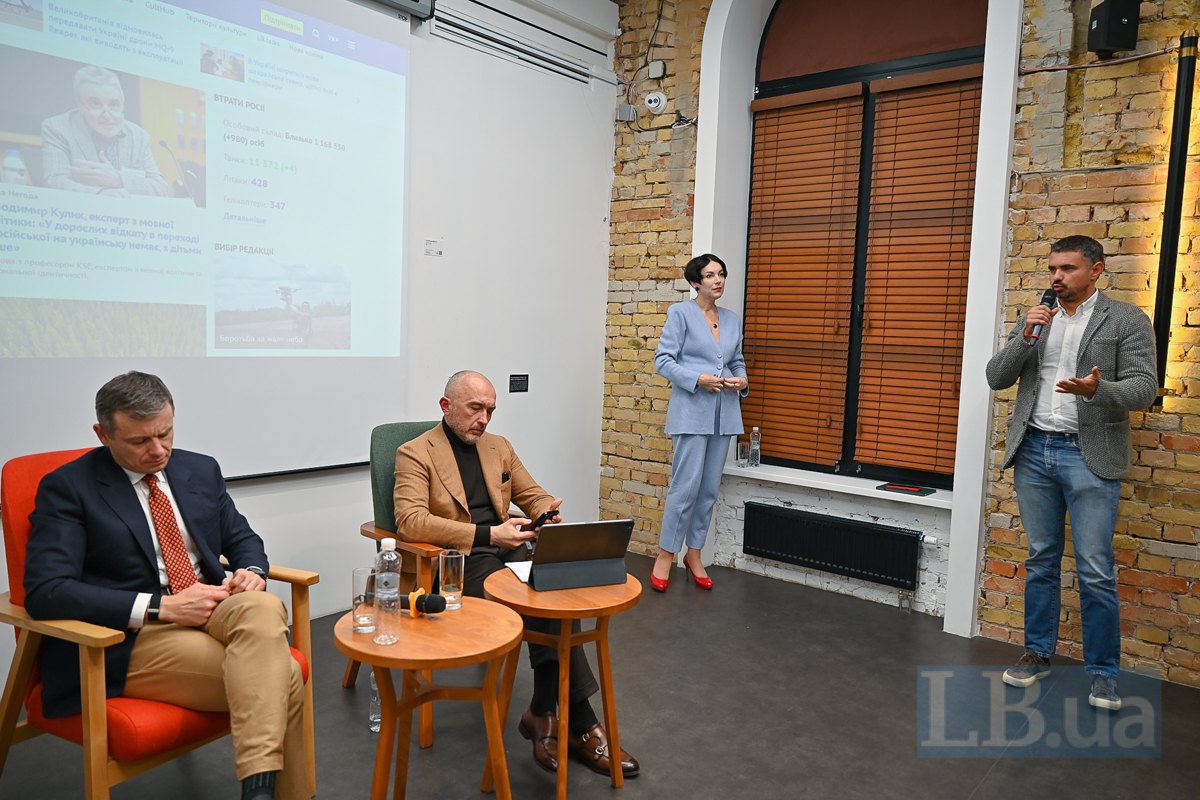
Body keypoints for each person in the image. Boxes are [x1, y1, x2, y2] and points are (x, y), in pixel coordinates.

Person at [24, 372, 310, 800]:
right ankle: (271, 792)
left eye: (165, 433)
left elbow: (241, 538)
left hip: (212, 604)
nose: (158, 450)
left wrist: (252, 570)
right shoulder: (69, 488)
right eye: (140, 442)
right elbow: (47, 591)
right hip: (133, 634)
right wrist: (163, 607)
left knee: (263, 607)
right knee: (283, 674)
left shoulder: (199, 467)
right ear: (103, 434)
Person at [393, 370, 640, 779]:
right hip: (456, 564)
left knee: (554, 590)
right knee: (540, 600)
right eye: (475, 408)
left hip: (511, 550)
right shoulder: (415, 453)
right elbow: (411, 521)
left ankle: (544, 714)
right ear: (446, 406)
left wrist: (546, 512)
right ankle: (579, 724)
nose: (484, 418)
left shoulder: (498, 447)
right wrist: (490, 533)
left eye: (490, 410)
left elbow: (532, 492)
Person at [985, 235, 1156, 712]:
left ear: (1096, 271)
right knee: (1041, 559)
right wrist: (1024, 335)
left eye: (1069, 269)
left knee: (1096, 570)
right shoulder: (1037, 317)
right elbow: (996, 377)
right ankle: (1037, 652)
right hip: (1036, 451)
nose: (1057, 277)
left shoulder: (1125, 319)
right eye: (1053, 268)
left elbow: (1145, 388)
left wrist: (1098, 390)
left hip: (1089, 455)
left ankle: (1103, 674)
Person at [650, 253, 749, 592]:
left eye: (721, 274)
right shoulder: (681, 314)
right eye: (709, 275)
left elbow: (736, 361)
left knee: (707, 491)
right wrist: (698, 379)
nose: (717, 280)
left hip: (725, 416)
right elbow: (663, 362)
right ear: (695, 281)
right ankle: (666, 554)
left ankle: (694, 554)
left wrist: (742, 380)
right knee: (684, 488)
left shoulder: (733, 320)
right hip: (691, 413)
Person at [41, 65, 171, 197]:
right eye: (95, 104)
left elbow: (161, 189)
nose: (107, 116)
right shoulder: (57, 128)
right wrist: (101, 194)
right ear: (80, 106)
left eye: (114, 104)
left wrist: (119, 180)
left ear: (122, 105)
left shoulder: (139, 137)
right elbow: (54, 182)